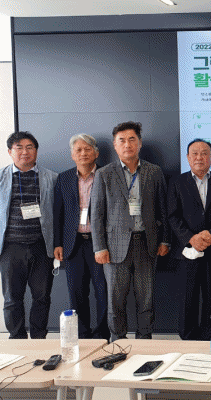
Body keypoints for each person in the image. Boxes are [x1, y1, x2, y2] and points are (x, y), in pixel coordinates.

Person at [91, 121, 169, 341]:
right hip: (114, 248)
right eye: (122, 141)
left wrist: (165, 240)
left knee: (146, 299)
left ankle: (144, 342)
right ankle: (118, 341)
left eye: (132, 139)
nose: (127, 144)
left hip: (147, 244)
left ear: (140, 143)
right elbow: (96, 214)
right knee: (116, 300)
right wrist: (99, 247)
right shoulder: (104, 174)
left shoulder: (154, 172)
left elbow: (163, 209)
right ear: (115, 145)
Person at [167, 139, 211, 341]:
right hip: (187, 250)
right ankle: (187, 338)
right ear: (188, 157)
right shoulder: (177, 183)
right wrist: (191, 238)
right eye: (195, 153)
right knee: (188, 297)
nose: (199, 157)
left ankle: (209, 338)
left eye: (204, 153)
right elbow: (172, 215)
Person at [0, 132, 57, 339]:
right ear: (10, 152)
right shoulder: (1, 177)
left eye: (30, 147)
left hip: (41, 246)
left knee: (42, 297)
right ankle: (17, 339)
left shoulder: (52, 178)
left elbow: (59, 213)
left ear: (36, 151)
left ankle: (39, 339)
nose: (25, 152)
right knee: (11, 299)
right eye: (19, 147)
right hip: (10, 247)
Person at [53, 134, 109, 340]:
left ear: (96, 153)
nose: (83, 153)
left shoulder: (106, 175)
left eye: (87, 149)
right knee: (76, 293)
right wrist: (58, 243)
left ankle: (102, 334)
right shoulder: (64, 178)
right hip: (73, 244)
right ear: (72, 155)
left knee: (103, 291)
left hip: (100, 244)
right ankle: (82, 335)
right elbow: (58, 213)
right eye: (78, 150)